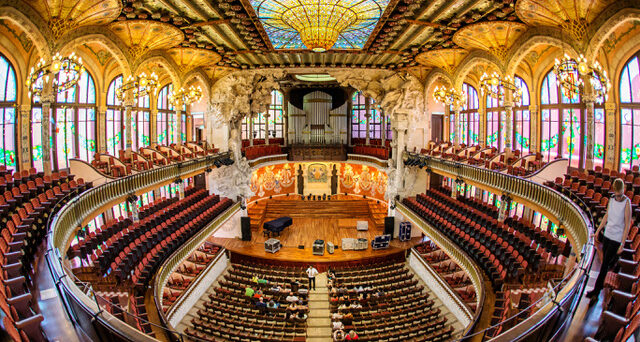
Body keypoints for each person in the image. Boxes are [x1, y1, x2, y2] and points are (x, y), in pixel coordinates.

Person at [586, 178, 632, 301]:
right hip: (607, 234)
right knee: (603, 263)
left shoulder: (627, 202)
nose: (618, 194)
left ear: (623, 189)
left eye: (619, 191)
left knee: (605, 264)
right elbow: (607, 215)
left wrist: (622, 244)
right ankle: (597, 289)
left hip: (616, 238)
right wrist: (597, 231)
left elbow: (627, 224)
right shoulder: (611, 199)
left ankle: (596, 291)